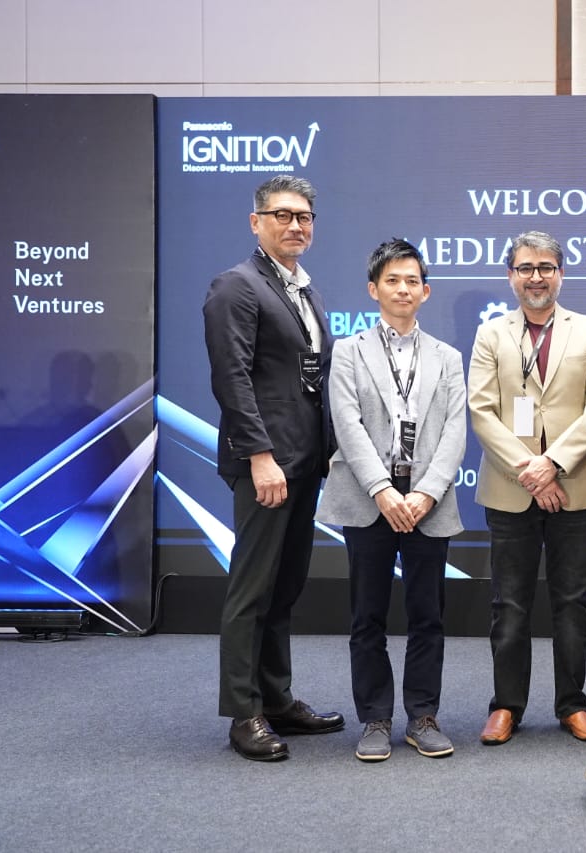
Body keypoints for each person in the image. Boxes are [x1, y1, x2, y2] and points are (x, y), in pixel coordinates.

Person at [203, 175, 343, 761]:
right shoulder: (236, 286)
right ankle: (244, 712)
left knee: (285, 587)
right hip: (265, 463)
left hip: (304, 463)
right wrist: (260, 456)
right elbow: (231, 377)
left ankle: (277, 698)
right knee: (253, 589)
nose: (295, 225)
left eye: (304, 216)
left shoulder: (305, 290)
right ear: (256, 222)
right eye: (282, 215)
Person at [316, 239, 466, 762]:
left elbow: (455, 431)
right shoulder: (348, 351)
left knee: (428, 615)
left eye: (412, 281)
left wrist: (425, 491)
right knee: (367, 617)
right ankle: (375, 718)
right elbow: (346, 424)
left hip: (428, 501)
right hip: (368, 499)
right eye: (392, 280)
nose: (403, 289)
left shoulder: (447, 357)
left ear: (425, 292)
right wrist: (382, 489)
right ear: (373, 289)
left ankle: (423, 715)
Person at [467, 231, 586, 746]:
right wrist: (529, 471)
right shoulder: (491, 334)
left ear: (561, 275)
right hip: (511, 489)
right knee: (509, 604)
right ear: (511, 276)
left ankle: (573, 705)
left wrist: (551, 464)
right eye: (526, 268)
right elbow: (482, 410)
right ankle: (506, 705)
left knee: (572, 601)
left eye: (546, 267)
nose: (536, 277)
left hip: (576, 486)